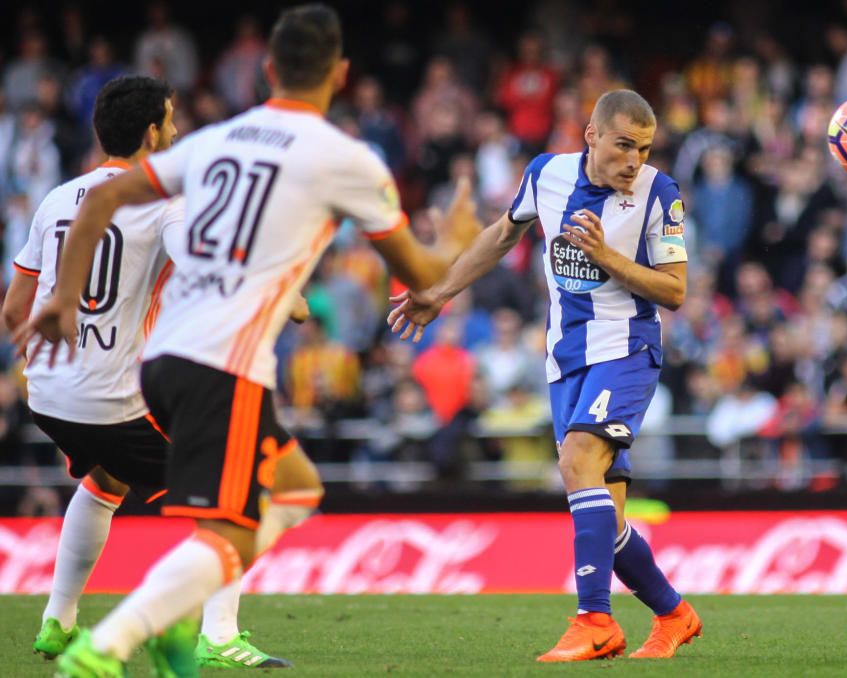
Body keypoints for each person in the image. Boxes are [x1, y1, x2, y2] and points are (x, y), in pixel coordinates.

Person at [19, 6, 480, 677]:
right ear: (341, 74)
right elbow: (421, 274)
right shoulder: (346, 158)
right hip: (222, 363)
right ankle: (140, 638)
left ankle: (134, 625)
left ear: (267, 70)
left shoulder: (215, 141)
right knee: (244, 513)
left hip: (165, 362)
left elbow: (101, 203)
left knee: (293, 487)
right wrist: (458, 239)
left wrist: (61, 299)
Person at [389, 89, 700, 662]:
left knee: (578, 459)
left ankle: (595, 620)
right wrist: (439, 294)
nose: (634, 160)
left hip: (626, 350)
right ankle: (675, 613)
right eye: (624, 145)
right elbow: (503, 233)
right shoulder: (546, 174)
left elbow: (676, 290)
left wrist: (610, 259)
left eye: (645, 148)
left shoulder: (661, 194)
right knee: (606, 515)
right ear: (592, 136)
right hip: (565, 360)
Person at [4, 75, 297, 671]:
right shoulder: (161, 200)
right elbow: (211, 273)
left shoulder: (57, 197)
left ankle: (56, 623)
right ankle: (217, 636)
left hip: (48, 392)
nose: (178, 130)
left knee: (107, 482)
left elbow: (14, 310)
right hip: (109, 398)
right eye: (171, 120)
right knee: (234, 492)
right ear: (149, 135)